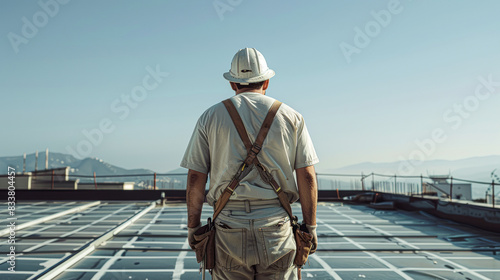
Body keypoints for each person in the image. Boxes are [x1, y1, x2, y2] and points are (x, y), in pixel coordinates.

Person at [181, 47, 319, 280]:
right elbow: (307, 176)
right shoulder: (291, 117)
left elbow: (196, 177)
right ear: (266, 82)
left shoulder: (210, 117)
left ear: (233, 84)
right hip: (277, 228)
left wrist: (194, 228)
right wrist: (311, 228)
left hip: (228, 230)